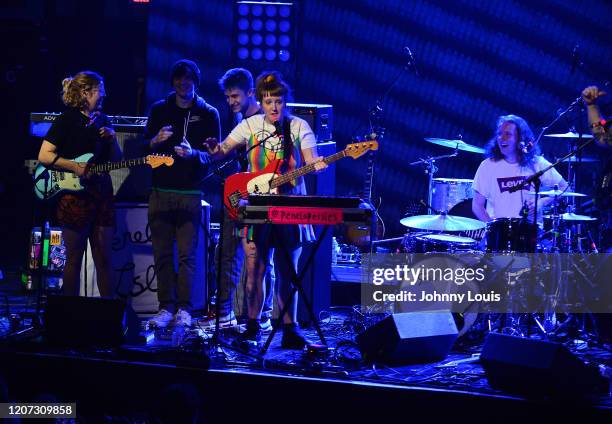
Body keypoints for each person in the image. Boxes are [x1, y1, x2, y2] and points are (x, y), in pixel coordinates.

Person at [205, 71, 327, 348]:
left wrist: (317, 162)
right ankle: (252, 325)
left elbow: (311, 158)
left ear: (286, 102)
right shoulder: (250, 126)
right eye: (268, 101)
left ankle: (289, 327)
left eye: (279, 101)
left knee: (288, 271)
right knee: (255, 270)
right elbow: (221, 152)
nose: (274, 107)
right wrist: (214, 149)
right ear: (260, 101)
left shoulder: (298, 127)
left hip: (291, 209)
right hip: (257, 207)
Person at [198, 68, 275, 332]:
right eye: (228, 97)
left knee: (265, 258)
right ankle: (225, 313)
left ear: (251, 93)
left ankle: (262, 314)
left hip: (263, 200)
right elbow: (222, 152)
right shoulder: (242, 122)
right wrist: (212, 151)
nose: (230, 102)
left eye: (235, 96)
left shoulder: (266, 122)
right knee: (227, 254)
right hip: (240, 199)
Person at [145, 59, 220, 328]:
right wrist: (154, 141)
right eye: (178, 78)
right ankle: (165, 308)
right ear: (172, 81)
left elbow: (214, 156)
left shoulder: (208, 113)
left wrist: (193, 155)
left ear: (195, 81)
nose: (182, 83)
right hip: (160, 192)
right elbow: (142, 148)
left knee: (188, 256)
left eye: (187, 78)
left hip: (190, 193)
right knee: (162, 254)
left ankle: (185, 310)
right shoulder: (159, 109)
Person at [38, 71, 121, 298]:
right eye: (100, 91)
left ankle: (109, 316)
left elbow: (117, 161)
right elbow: (44, 156)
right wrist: (74, 166)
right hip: (75, 197)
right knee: (74, 258)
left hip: (101, 194)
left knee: (104, 257)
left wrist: (112, 139)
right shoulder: (66, 120)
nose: (104, 95)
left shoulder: (104, 121)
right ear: (86, 92)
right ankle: (69, 315)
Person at [472, 114, 567, 223]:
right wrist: (493, 229)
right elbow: (477, 206)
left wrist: (542, 202)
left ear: (521, 139)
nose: (501, 138)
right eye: (499, 134)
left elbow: (566, 188)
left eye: (508, 134)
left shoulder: (537, 163)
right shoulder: (487, 166)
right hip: (499, 235)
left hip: (532, 233)